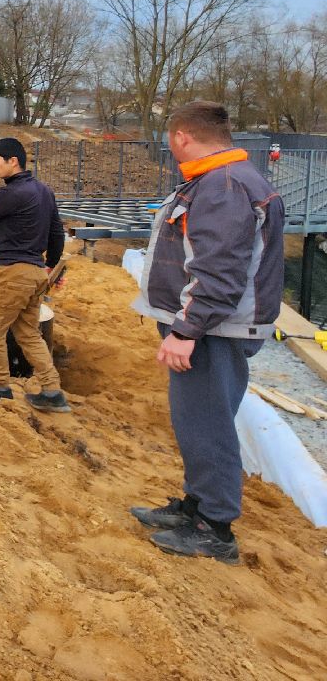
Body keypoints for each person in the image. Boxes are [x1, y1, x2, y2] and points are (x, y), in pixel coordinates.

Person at [129, 101, 284, 565]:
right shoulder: (220, 180)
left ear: (181, 137)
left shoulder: (224, 187)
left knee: (207, 424)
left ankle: (215, 528)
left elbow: (218, 270)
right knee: (197, 420)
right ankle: (197, 506)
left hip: (214, 331)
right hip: (210, 327)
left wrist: (186, 330)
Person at [0, 137, 70, 412]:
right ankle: (52, 392)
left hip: (13, 273)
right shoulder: (44, 191)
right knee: (28, 333)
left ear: (13, 161)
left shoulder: (13, 194)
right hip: (35, 273)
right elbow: (56, 233)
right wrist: (50, 267)